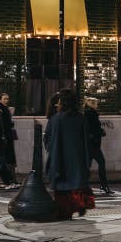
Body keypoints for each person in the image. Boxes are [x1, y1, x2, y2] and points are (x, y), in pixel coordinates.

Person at [45, 89, 94, 220]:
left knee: (62, 188)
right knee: (77, 184)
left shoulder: (56, 119)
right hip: (77, 159)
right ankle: (79, 205)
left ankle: (65, 211)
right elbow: (86, 141)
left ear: (63, 102)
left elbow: (49, 140)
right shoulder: (81, 118)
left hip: (60, 158)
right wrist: (87, 160)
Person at [84, 97, 113, 195]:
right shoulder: (90, 114)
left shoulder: (89, 114)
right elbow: (92, 129)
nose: (97, 105)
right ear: (92, 104)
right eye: (96, 103)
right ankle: (103, 186)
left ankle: (85, 187)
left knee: (88, 166)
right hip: (93, 144)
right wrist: (101, 132)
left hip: (91, 144)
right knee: (100, 163)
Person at [0, 93, 20, 189]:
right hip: (6, 136)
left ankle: (11, 179)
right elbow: (4, 123)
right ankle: (10, 179)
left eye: (7, 98)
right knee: (8, 157)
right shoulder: (1, 109)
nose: (6, 100)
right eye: (4, 99)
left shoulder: (3, 108)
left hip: (7, 135)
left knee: (10, 157)